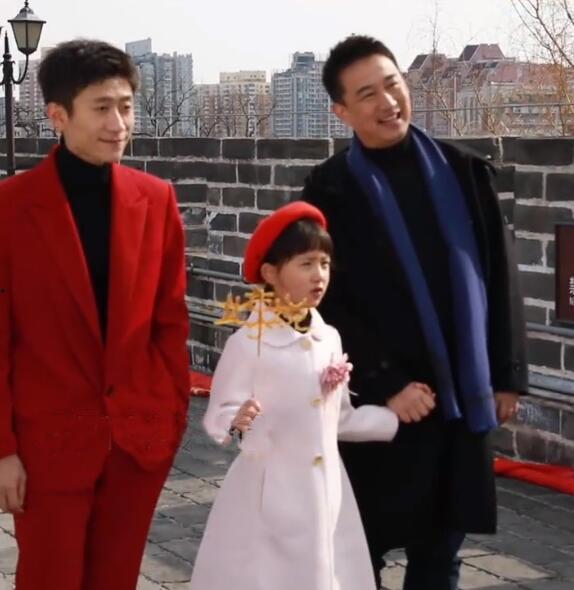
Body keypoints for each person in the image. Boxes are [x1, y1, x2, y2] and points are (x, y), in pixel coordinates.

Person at [299, 35, 528, 590]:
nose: (387, 102)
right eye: (367, 94)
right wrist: (387, 384)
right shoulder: (329, 189)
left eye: (392, 84)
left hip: (457, 401)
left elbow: (500, 275)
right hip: (382, 405)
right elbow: (326, 301)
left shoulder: (463, 173)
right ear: (341, 111)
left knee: (441, 553)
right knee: (361, 550)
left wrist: (506, 376)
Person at [0, 40, 190, 590]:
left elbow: (169, 322)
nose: (118, 123)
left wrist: (170, 412)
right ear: (58, 115)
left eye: (126, 106)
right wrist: (3, 449)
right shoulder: (11, 208)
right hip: (45, 446)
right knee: (49, 579)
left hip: (137, 442)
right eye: (102, 108)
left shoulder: (156, 199)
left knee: (116, 579)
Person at [189, 202, 402, 590]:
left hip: (326, 493)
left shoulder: (329, 338)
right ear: (271, 273)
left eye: (324, 263)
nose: (319, 275)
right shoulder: (250, 343)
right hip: (269, 494)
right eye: (305, 264)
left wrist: (393, 418)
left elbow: (340, 417)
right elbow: (220, 411)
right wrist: (238, 419)